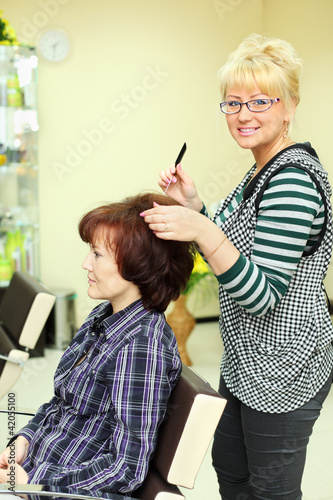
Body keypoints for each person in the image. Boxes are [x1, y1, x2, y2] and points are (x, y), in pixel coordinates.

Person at [140, 34, 333, 500]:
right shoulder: (260, 171)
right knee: (231, 469)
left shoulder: (292, 181)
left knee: (270, 490)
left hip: (286, 367)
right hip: (247, 361)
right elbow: (231, 256)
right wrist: (196, 207)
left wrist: (200, 229)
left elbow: (260, 292)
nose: (244, 114)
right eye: (233, 103)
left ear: (290, 107)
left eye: (260, 101)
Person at [0, 193, 196, 496]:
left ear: (138, 266)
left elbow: (125, 469)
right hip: (35, 471)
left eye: (97, 254)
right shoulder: (103, 317)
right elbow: (61, 404)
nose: (85, 264)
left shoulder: (140, 346)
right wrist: (24, 440)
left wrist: (32, 482)